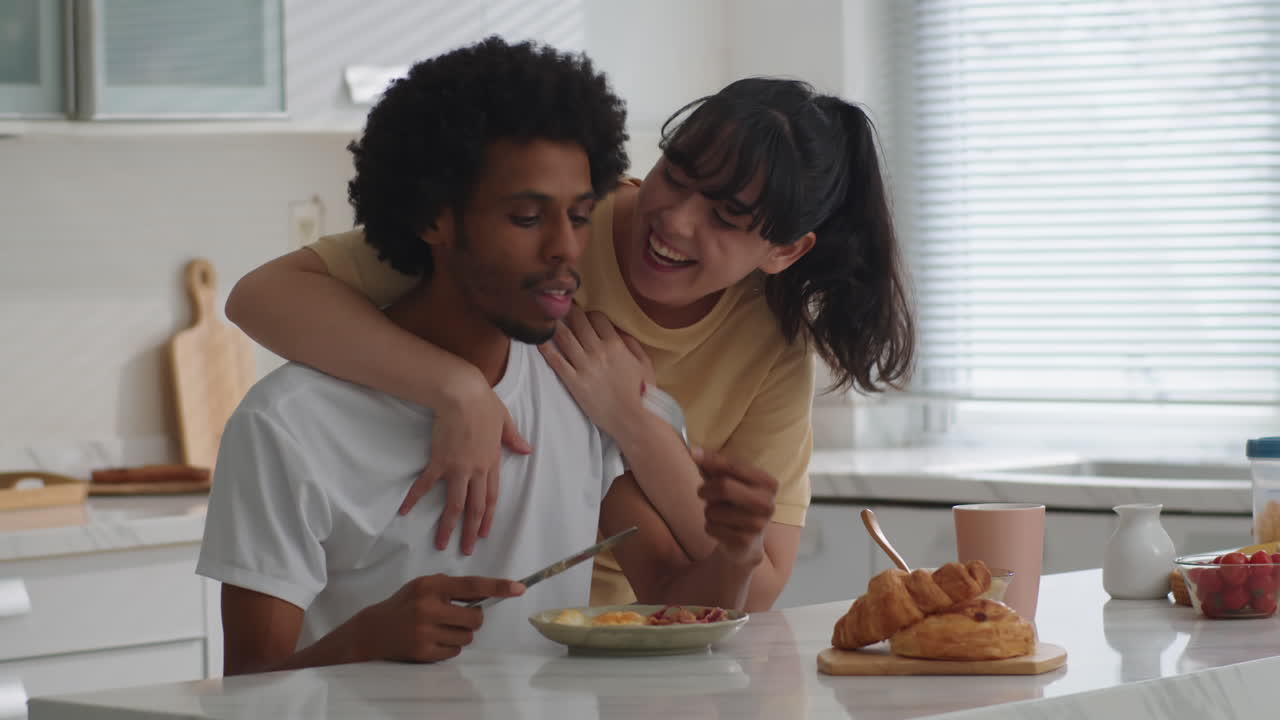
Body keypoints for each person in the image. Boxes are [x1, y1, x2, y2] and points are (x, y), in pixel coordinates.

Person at [197, 36, 778, 676]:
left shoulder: (583, 391)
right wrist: (365, 642)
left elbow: (673, 601)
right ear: (433, 219)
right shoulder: (288, 425)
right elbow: (248, 687)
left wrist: (737, 553)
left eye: (580, 216)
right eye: (528, 217)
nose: (565, 249)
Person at [225, 74, 915, 612]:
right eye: (675, 174)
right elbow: (261, 297)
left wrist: (634, 425)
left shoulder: (770, 350)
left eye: (725, 216)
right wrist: (459, 389)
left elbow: (752, 587)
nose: (673, 220)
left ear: (785, 250)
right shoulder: (553, 222)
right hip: (443, 622)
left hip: (609, 641)